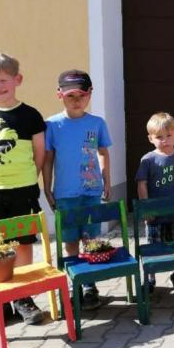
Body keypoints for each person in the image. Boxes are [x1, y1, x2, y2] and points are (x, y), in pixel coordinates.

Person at [0, 53, 46, 331]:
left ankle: (22, 296)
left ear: (18, 80)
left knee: (23, 242)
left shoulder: (30, 116)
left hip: (22, 188)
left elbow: (39, 153)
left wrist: (28, 178)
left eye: (3, 80)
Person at [44, 70, 112, 311]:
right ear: (59, 95)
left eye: (81, 95)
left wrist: (107, 180)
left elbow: (103, 152)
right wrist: (47, 188)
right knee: (70, 241)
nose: (76, 100)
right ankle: (74, 285)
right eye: (70, 95)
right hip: (65, 194)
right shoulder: (52, 125)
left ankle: (90, 285)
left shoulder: (97, 123)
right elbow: (48, 159)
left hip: (91, 192)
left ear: (90, 94)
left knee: (91, 239)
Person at [136, 112, 174, 292]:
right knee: (153, 245)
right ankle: (150, 276)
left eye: (169, 135)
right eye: (159, 137)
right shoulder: (148, 160)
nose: (165, 140)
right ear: (150, 138)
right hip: (155, 215)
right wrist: (146, 208)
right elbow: (142, 184)